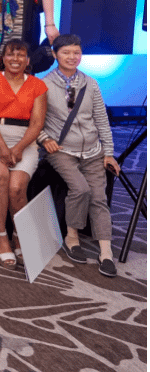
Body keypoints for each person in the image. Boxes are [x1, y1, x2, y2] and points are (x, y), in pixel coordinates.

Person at [39, 34, 120, 277]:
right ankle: (72, 237)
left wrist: (108, 152)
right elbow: (34, 121)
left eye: (76, 52)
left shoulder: (90, 83)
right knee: (81, 189)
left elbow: (101, 119)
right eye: (66, 52)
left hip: (92, 150)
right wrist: (44, 139)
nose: (72, 57)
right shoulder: (44, 85)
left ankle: (106, 252)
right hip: (61, 150)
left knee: (98, 197)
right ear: (55, 55)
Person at [0, 39, 48, 269]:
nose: (15, 59)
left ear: (27, 60)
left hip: (25, 141)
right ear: (2, 59)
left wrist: (18, 148)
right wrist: (2, 148)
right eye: (10, 54)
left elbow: (37, 123)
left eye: (20, 55)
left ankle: (19, 233)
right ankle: (1, 235)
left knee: (16, 187)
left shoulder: (38, 85)